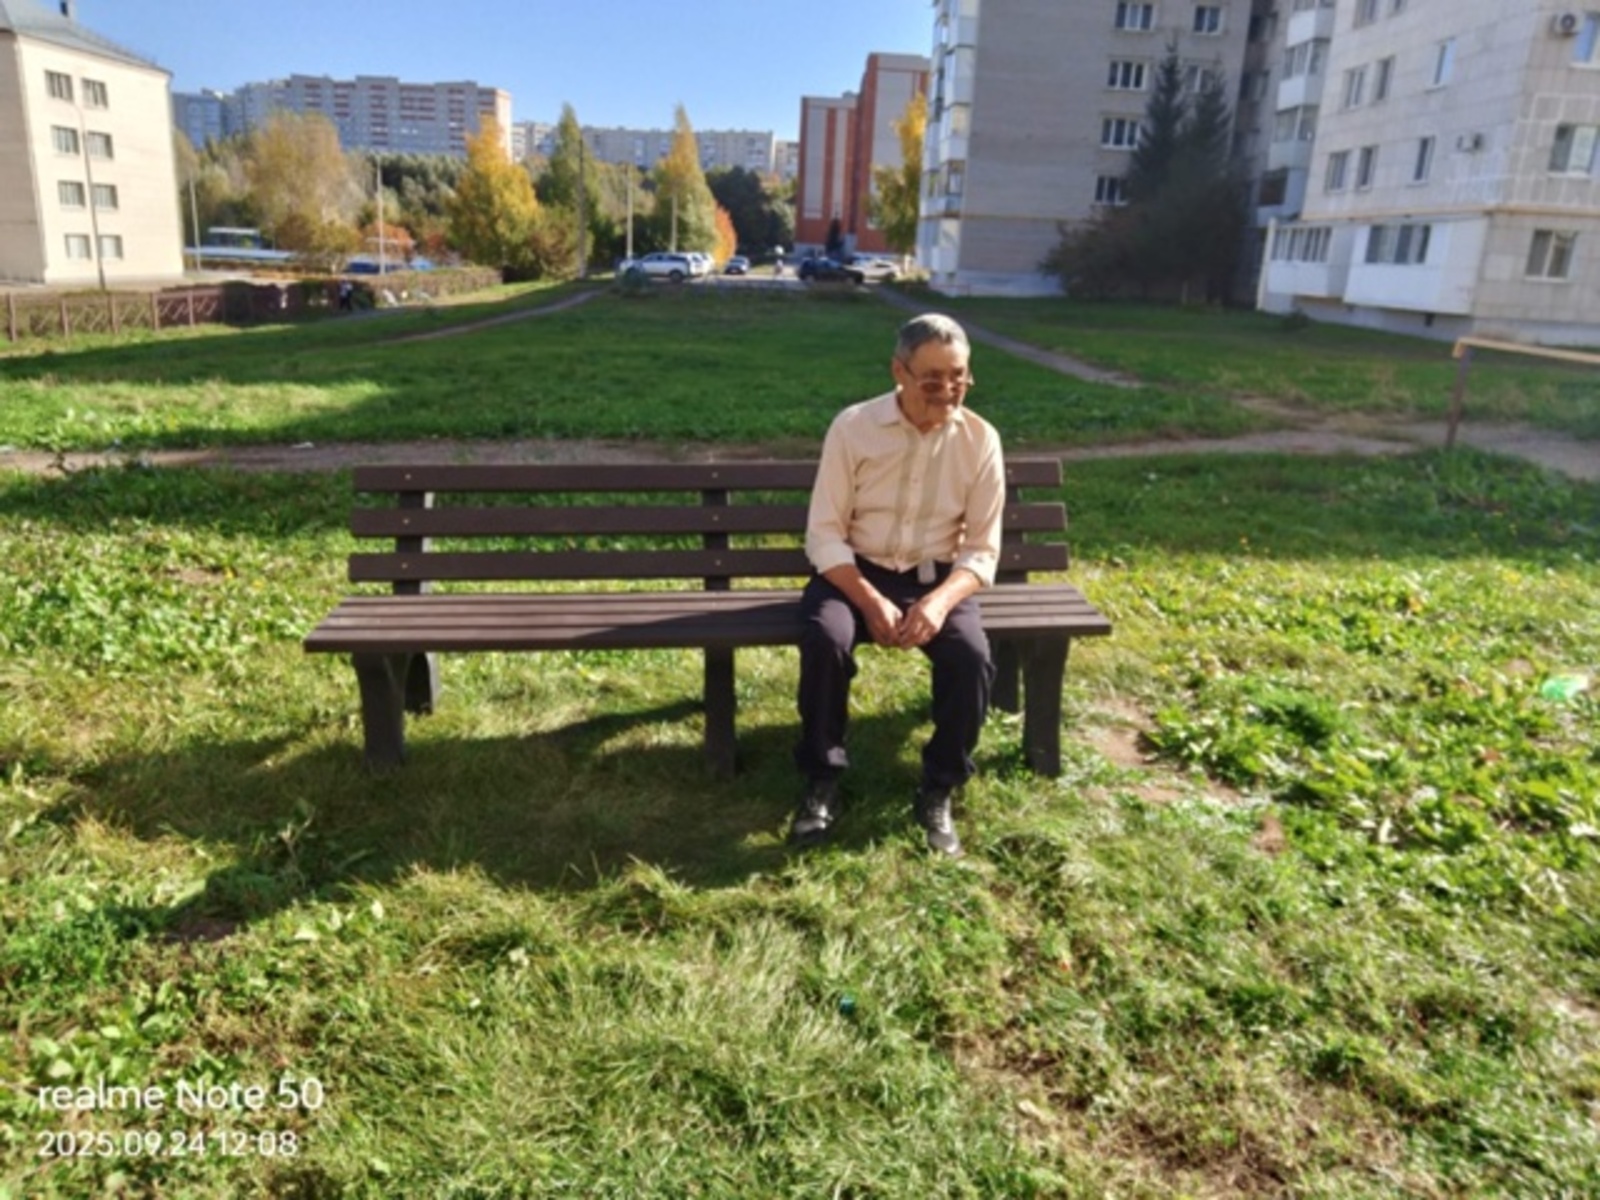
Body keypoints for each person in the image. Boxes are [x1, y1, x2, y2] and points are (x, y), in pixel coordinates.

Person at [791, 313, 1004, 857]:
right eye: (933, 378)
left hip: (937, 579)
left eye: (959, 376)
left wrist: (938, 602)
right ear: (899, 372)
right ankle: (822, 779)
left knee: (971, 658)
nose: (948, 390)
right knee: (825, 640)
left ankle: (940, 786)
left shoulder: (980, 440)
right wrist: (869, 599)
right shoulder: (853, 427)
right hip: (853, 573)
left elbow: (982, 548)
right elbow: (824, 534)